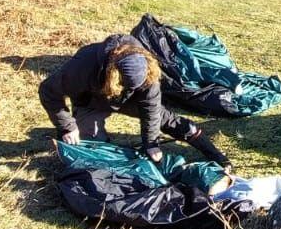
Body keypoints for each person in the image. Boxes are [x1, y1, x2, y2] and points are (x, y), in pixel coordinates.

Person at [39, 34, 234, 177]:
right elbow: (48, 91)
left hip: (130, 99)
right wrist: (67, 126)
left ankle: (214, 153)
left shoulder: (149, 71)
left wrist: (151, 143)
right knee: (89, 150)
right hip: (92, 100)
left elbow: (150, 110)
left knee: (166, 119)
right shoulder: (84, 64)